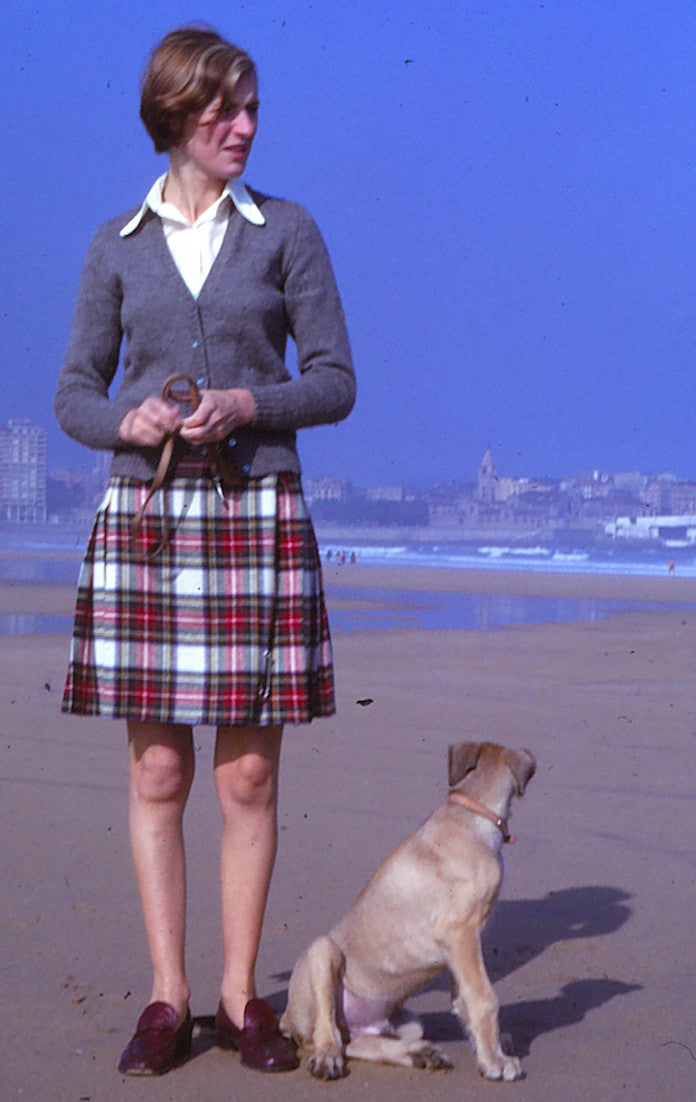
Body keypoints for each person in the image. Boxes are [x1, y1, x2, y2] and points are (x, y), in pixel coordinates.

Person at [54, 26, 354, 1077]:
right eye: (224, 109)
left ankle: (240, 1000)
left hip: (256, 514)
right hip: (144, 524)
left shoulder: (287, 232)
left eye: (252, 108)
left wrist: (248, 402)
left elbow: (335, 380)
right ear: (175, 115)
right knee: (159, 767)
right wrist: (126, 425)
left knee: (248, 782)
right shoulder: (116, 244)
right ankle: (166, 997)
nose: (244, 127)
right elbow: (73, 396)